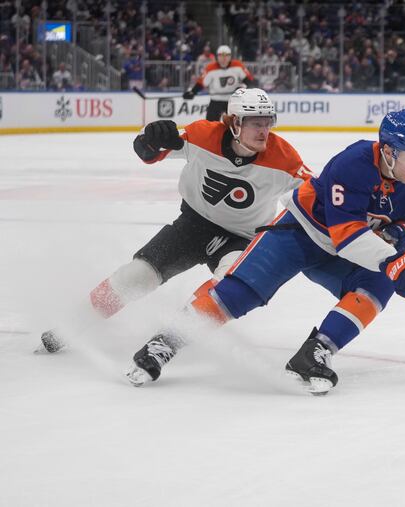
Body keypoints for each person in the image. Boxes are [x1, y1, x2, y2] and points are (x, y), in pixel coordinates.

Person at [125, 109, 405, 395]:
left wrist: (401, 234)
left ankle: (316, 352)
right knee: (238, 293)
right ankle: (163, 343)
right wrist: (397, 261)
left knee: (378, 284)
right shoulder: (354, 163)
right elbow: (346, 235)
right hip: (300, 233)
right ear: (387, 151)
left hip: (343, 252)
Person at [37, 88, 310, 353]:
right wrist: (149, 141)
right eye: (256, 123)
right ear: (235, 123)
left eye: (268, 122)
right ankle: (72, 325)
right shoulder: (204, 135)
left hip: (241, 238)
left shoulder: (284, 157)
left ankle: (168, 342)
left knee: (227, 287)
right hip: (193, 226)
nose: (264, 131)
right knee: (136, 276)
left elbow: (315, 192)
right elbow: (151, 152)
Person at [183, 45, 256, 121]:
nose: (224, 58)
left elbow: (249, 80)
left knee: (233, 125)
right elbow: (201, 83)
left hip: (232, 101)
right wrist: (192, 92)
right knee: (210, 125)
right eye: (221, 55)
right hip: (215, 101)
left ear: (230, 56)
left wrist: (242, 87)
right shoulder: (210, 68)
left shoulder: (238, 65)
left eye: (226, 55)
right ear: (217, 57)